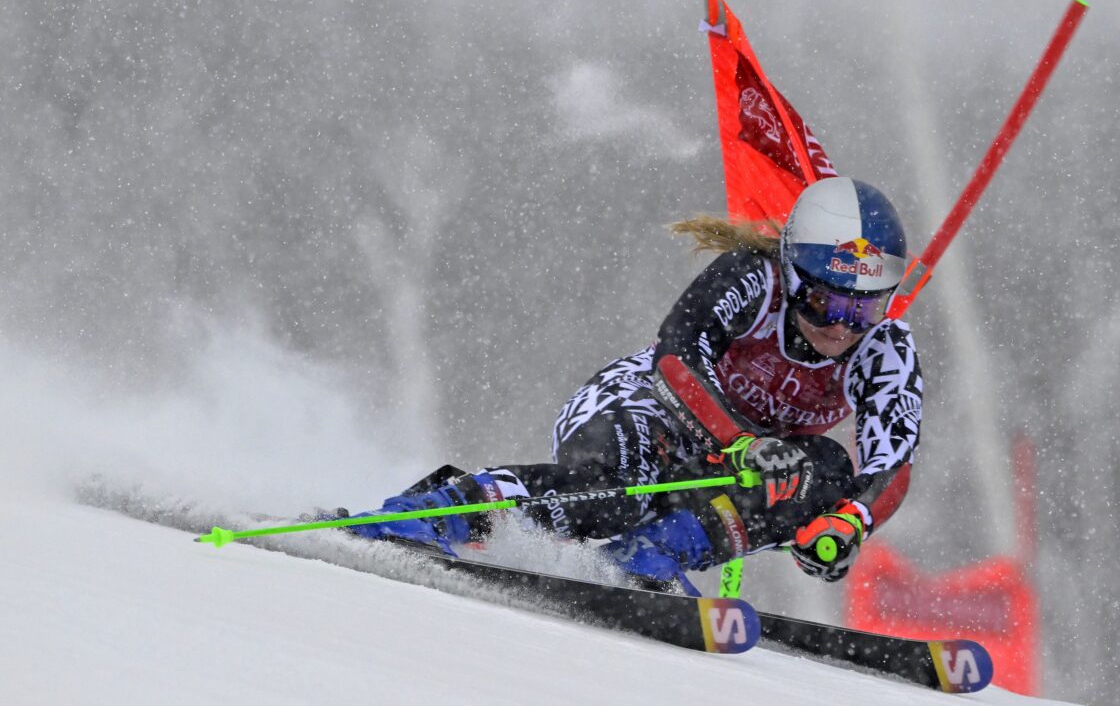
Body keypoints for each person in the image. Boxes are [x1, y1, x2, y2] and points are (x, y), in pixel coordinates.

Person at [344, 176, 922, 593]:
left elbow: (892, 461)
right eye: (825, 303)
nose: (843, 327)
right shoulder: (755, 279)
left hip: (729, 466)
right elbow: (678, 357)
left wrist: (849, 524)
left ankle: (650, 558)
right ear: (796, 275)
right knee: (619, 491)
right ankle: (445, 509)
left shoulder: (886, 347)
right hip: (649, 405)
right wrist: (739, 439)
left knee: (824, 469)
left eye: (864, 310)